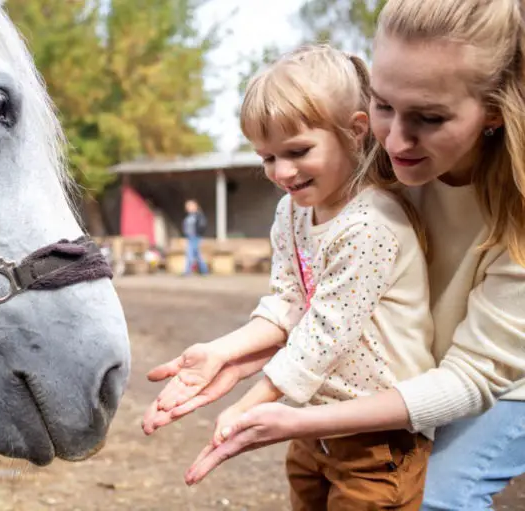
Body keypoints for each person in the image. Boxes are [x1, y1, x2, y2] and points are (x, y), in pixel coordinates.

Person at [149, 1, 525, 508]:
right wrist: (232, 355)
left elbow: (471, 379)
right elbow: (307, 299)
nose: (391, 139)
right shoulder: (355, 176)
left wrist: (283, 408)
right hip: (397, 375)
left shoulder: (491, 210)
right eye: (385, 106)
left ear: (495, 113)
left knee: (435, 497)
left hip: (501, 383)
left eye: (429, 117)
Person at [143, 43, 438, 509]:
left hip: (376, 441)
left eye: (297, 151)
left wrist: (251, 403)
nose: (282, 172)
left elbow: (323, 333)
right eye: (266, 157)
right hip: (314, 427)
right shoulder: (293, 212)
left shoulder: (371, 225)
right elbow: (287, 302)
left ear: (356, 131)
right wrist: (220, 353)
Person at [182, 199, 208, 275]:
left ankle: (187, 271)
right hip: (189, 236)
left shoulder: (198, 215)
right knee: (197, 254)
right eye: (187, 206)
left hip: (195, 236)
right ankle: (204, 270)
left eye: (189, 206)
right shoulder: (188, 216)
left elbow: (202, 225)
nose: (187, 208)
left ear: (195, 206)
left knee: (190, 253)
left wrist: (198, 233)